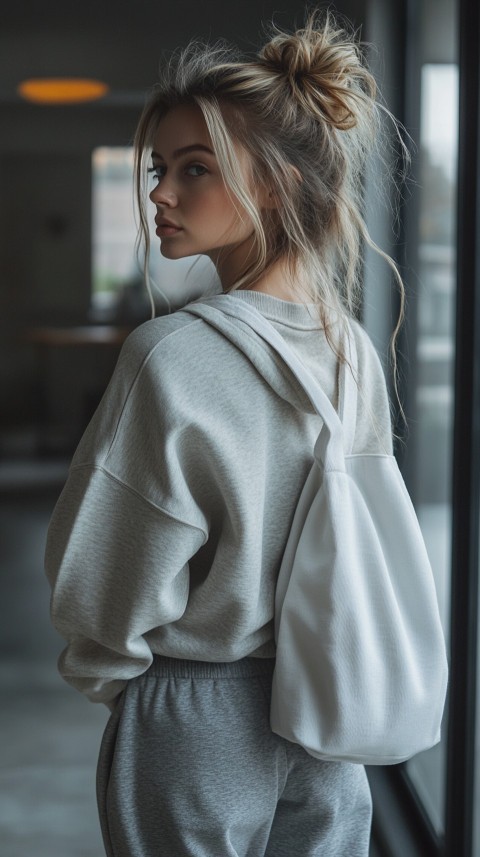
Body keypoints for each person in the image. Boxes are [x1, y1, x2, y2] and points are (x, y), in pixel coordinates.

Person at [45, 10, 407, 856]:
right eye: (158, 169)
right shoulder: (350, 347)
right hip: (331, 711)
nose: (159, 194)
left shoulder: (170, 355)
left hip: (194, 716)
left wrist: (121, 685)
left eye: (194, 169)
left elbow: (100, 578)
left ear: (275, 184)